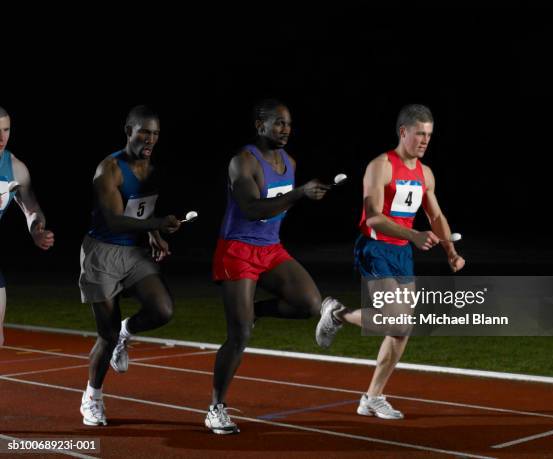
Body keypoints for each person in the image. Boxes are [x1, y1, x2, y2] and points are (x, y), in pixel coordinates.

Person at [316, 104, 465, 419]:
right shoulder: (380, 166)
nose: (425, 140)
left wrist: (450, 250)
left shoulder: (425, 173)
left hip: (402, 253)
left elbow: (435, 215)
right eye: (419, 134)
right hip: (375, 248)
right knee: (396, 321)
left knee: (400, 329)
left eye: (429, 135)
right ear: (403, 132)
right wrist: (413, 236)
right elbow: (373, 217)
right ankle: (338, 313)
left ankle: (372, 397)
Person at [206, 99, 330, 434]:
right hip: (237, 250)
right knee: (239, 335)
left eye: (288, 124)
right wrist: (301, 193)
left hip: (271, 249)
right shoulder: (242, 162)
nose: (285, 130)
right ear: (259, 125)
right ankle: (216, 406)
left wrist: (304, 193)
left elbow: (278, 208)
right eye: (278, 123)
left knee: (310, 304)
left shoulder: (289, 161)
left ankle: (255, 311)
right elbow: (251, 208)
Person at [78, 105, 181, 426]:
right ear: (129, 131)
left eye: (155, 133)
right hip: (101, 254)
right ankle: (91, 397)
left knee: (162, 310)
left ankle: (129, 331)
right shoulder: (109, 169)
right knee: (105, 335)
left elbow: (140, 210)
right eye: (144, 132)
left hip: (133, 254)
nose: (150, 138)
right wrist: (158, 223)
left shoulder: (151, 169)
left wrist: (153, 235)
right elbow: (114, 220)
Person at [0, 106, 54, 346]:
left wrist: (36, 230)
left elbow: (31, 209)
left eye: (6, 130)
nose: (1, 137)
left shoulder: (16, 169)